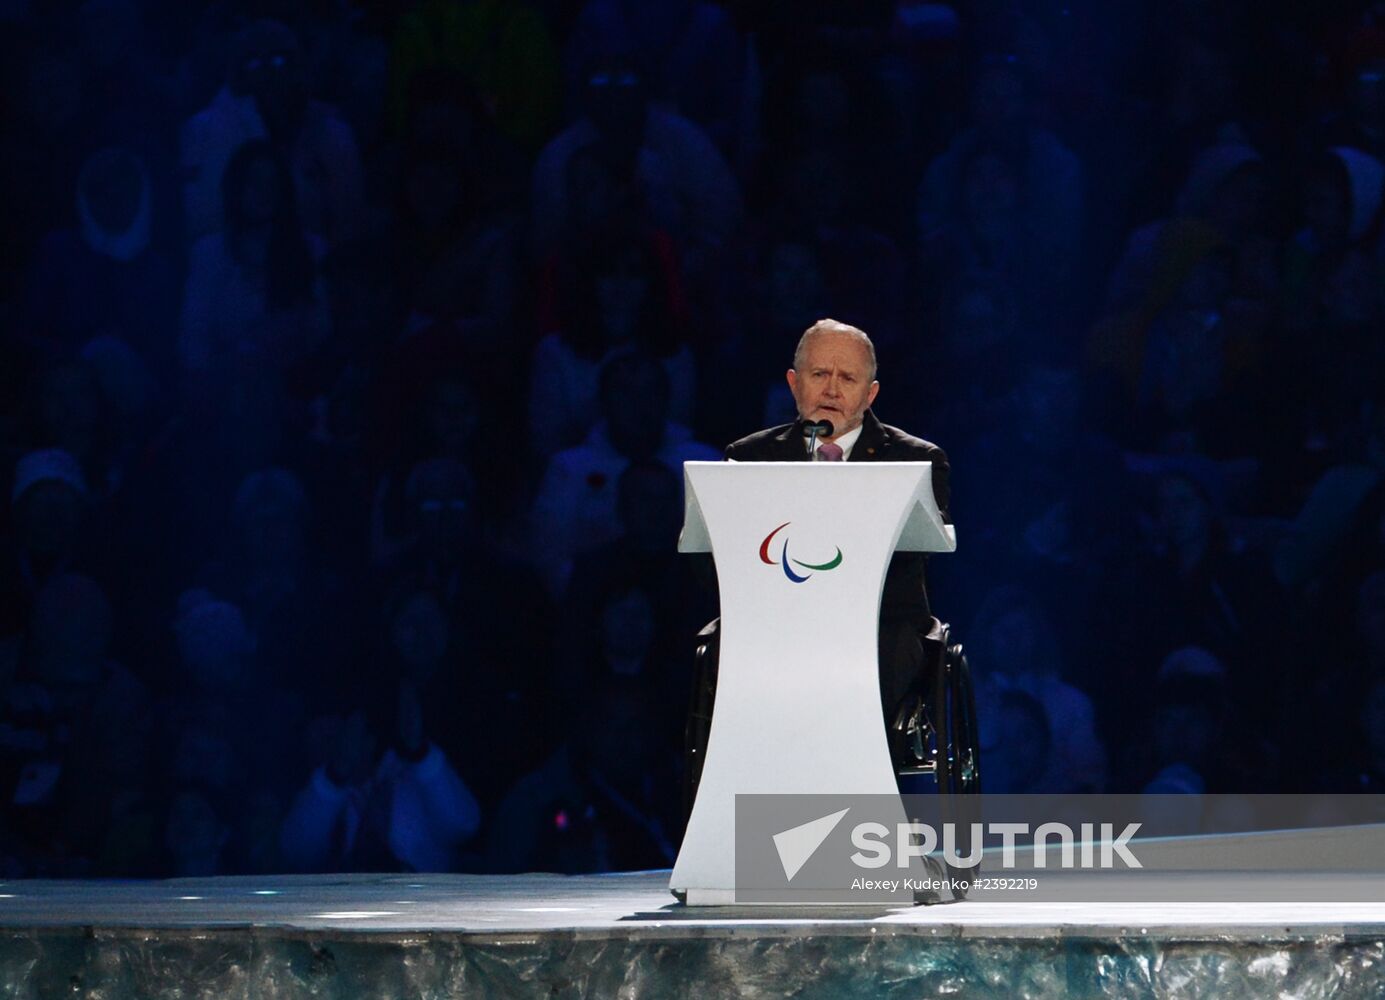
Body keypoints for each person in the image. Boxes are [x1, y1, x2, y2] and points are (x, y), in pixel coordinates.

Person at [722, 318, 951, 723]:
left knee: (893, 646)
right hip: (775, 621)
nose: (831, 389)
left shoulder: (914, 461)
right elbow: (719, 558)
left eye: (847, 378)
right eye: (819, 375)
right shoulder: (749, 459)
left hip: (877, 628)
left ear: (870, 394)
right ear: (794, 383)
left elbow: (916, 554)